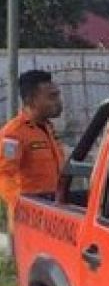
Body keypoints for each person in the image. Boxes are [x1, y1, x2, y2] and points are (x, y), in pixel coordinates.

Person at [0, 69, 65, 215]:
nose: (58, 102)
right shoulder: (14, 133)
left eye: (57, 95)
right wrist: (22, 207)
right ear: (30, 100)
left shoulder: (48, 128)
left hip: (54, 209)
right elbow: (4, 175)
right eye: (52, 97)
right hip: (30, 217)